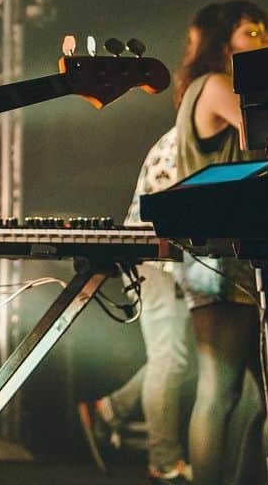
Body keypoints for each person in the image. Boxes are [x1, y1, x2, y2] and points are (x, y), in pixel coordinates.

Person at [173, 0, 268, 485]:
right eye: (253, 32)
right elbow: (265, 133)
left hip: (235, 255)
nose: (265, 40)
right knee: (220, 392)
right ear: (223, 41)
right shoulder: (217, 86)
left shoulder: (217, 88)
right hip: (217, 256)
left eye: (266, 30)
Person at [79, 126, 194, 484]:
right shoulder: (196, 127)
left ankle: (109, 410)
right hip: (153, 255)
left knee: (181, 359)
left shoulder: (184, 130)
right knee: (171, 360)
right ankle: (164, 462)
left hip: (161, 256)